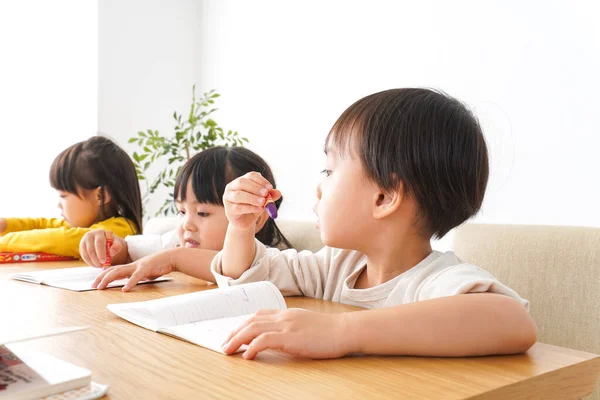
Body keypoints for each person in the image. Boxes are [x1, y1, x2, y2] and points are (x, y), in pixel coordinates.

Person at [213, 88, 537, 360]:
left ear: (385, 198)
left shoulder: (437, 282)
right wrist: (240, 228)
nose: (319, 187)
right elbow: (253, 276)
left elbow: (515, 322)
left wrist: (339, 331)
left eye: (329, 171)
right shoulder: (336, 266)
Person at [86, 146, 291, 291]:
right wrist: (108, 245)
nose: (187, 225)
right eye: (181, 212)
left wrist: (175, 258)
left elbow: (241, 273)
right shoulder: (178, 243)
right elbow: (129, 251)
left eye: (202, 213)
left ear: (255, 218)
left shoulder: (270, 260)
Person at [0, 136, 142, 258]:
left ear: (101, 195)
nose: (59, 204)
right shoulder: (88, 224)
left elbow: (64, 239)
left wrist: (3, 243)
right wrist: (6, 225)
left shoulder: (121, 229)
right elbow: (42, 224)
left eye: (63, 196)